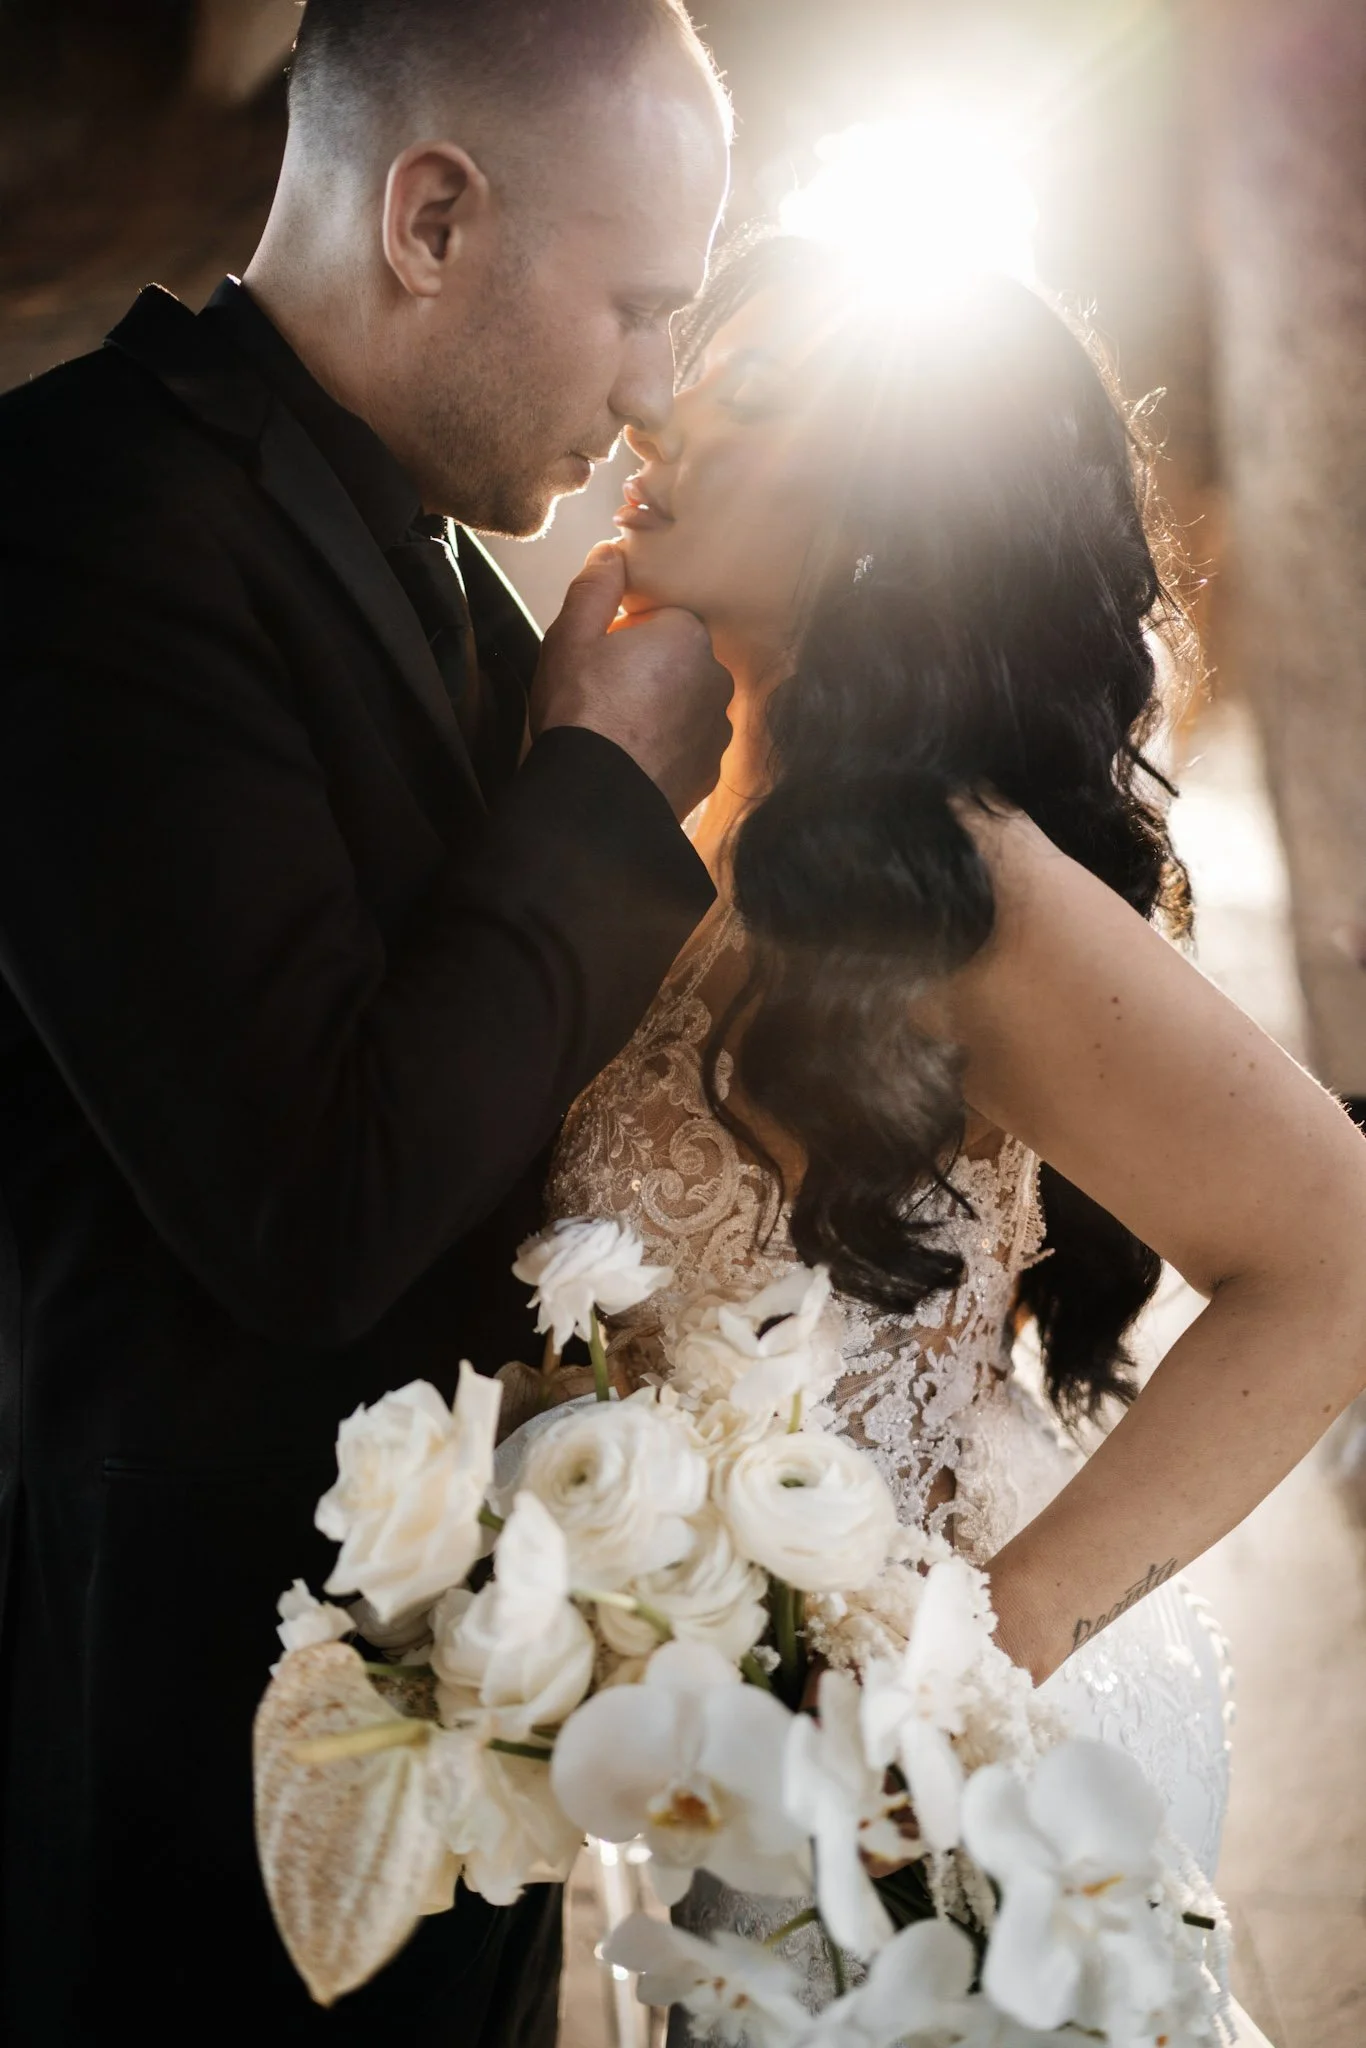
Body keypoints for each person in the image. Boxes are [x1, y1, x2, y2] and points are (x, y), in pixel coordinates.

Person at [0, 2, 733, 2041]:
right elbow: (309, 1202)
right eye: (635, 308)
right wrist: (596, 793)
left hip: (455, 1779)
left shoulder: (450, 573)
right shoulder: (76, 522)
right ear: (430, 215)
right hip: (201, 1803)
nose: (653, 391)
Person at [544, 235, 1366, 2043]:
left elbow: (1335, 1253)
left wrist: (975, 1661)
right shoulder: (685, 811)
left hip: (920, 1808)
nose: (667, 414)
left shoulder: (947, 871)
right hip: (715, 1776)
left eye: (754, 401)